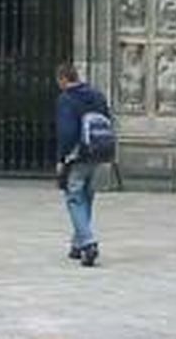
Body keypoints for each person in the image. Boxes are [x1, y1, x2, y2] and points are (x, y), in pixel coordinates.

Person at [54, 61, 111, 268]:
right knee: (87, 196)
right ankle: (77, 244)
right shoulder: (97, 95)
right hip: (98, 150)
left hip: (77, 155)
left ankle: (88, 243)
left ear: (63, 79)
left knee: (74, 197)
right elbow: (108, 119)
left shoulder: (66, 99)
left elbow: (66, 132)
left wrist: (62, 158)